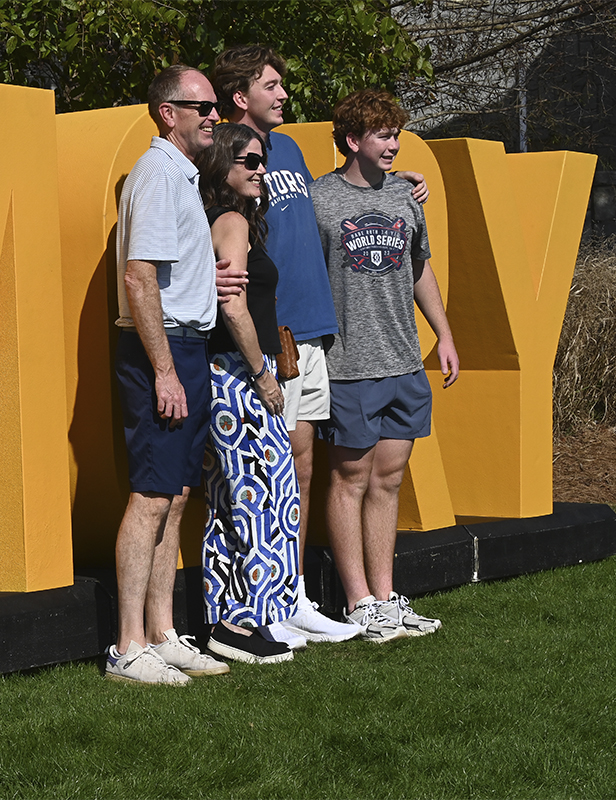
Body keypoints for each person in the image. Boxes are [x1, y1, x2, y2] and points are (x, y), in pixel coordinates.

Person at [211, 45, 429, 643]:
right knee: (270, 472)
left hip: (314, 333)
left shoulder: (289, 149)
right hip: (270, 336)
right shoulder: (226, 153)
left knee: (302, 469)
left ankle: (297, 592)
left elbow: (331, 200)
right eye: (273, 85)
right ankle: (262, 603)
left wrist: (393, 180)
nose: (284, 95)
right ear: (241, 96)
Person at [311, 88, 459, 641]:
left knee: (389, 481)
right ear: (352, 141)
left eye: (396, 134)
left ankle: (387, 596)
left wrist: (443, 334)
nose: (394, 144)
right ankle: (358, 602)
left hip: (402, 361)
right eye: (382, 135)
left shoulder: (406, 196)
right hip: (348, 365)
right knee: (350, 479)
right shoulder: (318, 199)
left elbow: (420, 269)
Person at [105, 65, 234, 684]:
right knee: (152, 495)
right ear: (167, 112)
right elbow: (140, 278)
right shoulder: (157, 174)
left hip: (185, 347)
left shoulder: (179, 175)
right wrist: (165, 371)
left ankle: (162, 633)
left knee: (176, 495)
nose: (214, 114)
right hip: (164, 351)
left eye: (214, 106)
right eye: (201, 106)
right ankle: (128, 646)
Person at [195, 123, 297, 665]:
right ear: (222, 168)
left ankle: (227, 620)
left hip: (220, 374)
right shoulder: (231, 220)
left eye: (263, 161)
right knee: (260, 500)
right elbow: (233, 304)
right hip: (236, 376)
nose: (261, 170)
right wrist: (262, 373)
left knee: (228, 500)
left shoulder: (222, 218)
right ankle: (245, 622)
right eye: (250, 161)